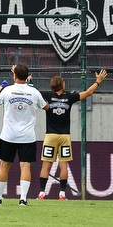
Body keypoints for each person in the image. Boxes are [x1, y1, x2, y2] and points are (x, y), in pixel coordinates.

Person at [38, 69, 106, 200]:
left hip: (50, 136)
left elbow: (32, 93)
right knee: (63, 164)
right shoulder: (69, 97)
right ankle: (62, 193)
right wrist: (98, 81)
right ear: (62, 85)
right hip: (64, 136)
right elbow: (88, 93)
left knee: (46, 164)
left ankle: (41, 192)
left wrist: (29, 81)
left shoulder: (45, 95)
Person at [0, 64, 48, 206]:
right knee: (25, 166)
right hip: (27, 137)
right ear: (27, 77)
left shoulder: (6, 90)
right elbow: (46, 106)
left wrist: (0, 92)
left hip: (8, 135)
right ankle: (23, 199)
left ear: (14, 76)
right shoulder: (34, 92)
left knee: (4, 166)